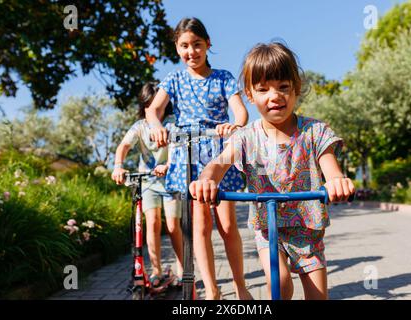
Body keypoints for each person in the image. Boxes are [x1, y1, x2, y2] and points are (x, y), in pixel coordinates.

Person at [189, 42, 355, 300]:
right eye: (263, 89)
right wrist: (206, 181)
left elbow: (331, 169)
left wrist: (336, 182)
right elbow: (218, 164)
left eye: (283, 87)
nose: (274, 96)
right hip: (269, 230)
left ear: (296, 88)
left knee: (318, 296)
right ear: (250, 95)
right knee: (280, 283)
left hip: (308, 231)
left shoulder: (315, 132)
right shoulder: (246, 137)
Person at [146, 17, 252, 300]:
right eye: (184, 46)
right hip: (187, 154)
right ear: (177, 48)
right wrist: (157, 127)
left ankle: (241, 288)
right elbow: (154, 110)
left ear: (208, 45)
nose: (191, 51)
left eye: (197, 45)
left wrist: (235, 126)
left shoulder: (223, 78)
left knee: (227, 225)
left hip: (217, 154)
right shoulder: (174, 79)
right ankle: (212, 291)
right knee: (200, 226)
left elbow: (240, 113)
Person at [112, 83, 184, 287]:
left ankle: (182, 269)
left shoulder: (172, 123)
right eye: (147, 106)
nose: (152, 110)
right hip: (148, 181)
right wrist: (118, 166)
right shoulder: (140, 126)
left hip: (171, 180)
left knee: (172, 226)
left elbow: (177, 149)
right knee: (151, 223)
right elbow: (123, 146)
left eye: (156, 105)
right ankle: (157, 270)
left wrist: (168, 164)